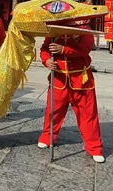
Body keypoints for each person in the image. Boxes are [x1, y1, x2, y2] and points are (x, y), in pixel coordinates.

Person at [39, 22, 104, 163]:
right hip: (59, 79)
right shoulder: (55, 29)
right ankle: (47, 137)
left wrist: (63, 49)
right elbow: (44, 48)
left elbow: (84, 49)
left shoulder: (86, 31)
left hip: (81, 79)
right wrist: (47, 60)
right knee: (53, 111)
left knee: (88, 115)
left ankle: (94, 147)